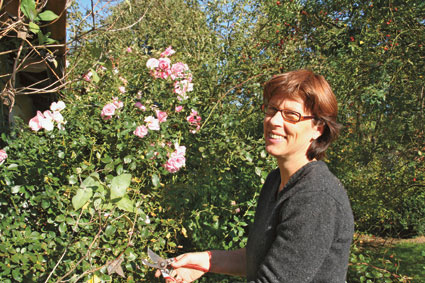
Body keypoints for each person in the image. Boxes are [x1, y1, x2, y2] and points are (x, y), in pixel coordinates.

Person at [156, 69, 354, 282]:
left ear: (318, 128)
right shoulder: (275, 181)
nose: (274, 121)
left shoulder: (316, 197)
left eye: (291, 115)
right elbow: (257, 258)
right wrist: (201, 262)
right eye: (272, 109)